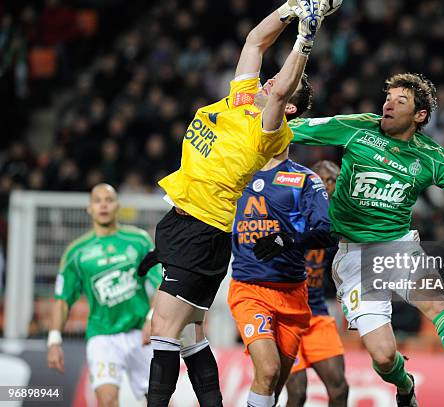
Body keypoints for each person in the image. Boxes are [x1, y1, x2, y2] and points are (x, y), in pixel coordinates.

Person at [283, 73, 444, 406]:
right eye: (388, 98)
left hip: (398, 246)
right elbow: (293, 130)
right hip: (353, 256)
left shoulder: (432, 157)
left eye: (400, 101)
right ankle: (405, 385)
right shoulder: (357, 127)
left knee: (436, 304)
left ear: (420, 116)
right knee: (382, 356)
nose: (388, 104)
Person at [143, 1, 331, 405]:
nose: (268, 83)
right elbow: (254, 42)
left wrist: (305, 37)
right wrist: (292, 8)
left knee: (163, 329)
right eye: (268, 79)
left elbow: (282, 87)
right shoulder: (242, 99)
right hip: (182, 220)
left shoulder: (270, 131)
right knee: (192, 334)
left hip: (203, 226)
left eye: (278, 86)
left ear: (289, 108)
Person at [228, 147, 339, 407]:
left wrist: (288, 239)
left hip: (297, 299)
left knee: (276, 388)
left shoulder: (306, 181)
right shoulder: (237, 174)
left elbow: (330, 235)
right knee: (270, 371)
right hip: (250, 289)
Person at [47, 183, 162, 407]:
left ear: (117, 206)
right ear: (89, 208)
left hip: (141, 333)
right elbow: (62, 300)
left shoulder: (139, 241)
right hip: (102, 337)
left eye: (108, 200)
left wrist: (151, 318)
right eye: (97, 200)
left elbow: (160, 282)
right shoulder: (76, 252)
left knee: (159, 400)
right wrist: (53, 341)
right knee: (107, 401)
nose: (103, 205)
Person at [285, 160, 348, 407]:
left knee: (340, 389)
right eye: (326, 179)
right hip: (286, 313)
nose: (331, 186)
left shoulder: (335, 224)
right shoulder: (290, 213)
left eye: (335, 181)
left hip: (317, 313)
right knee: (298, 393)